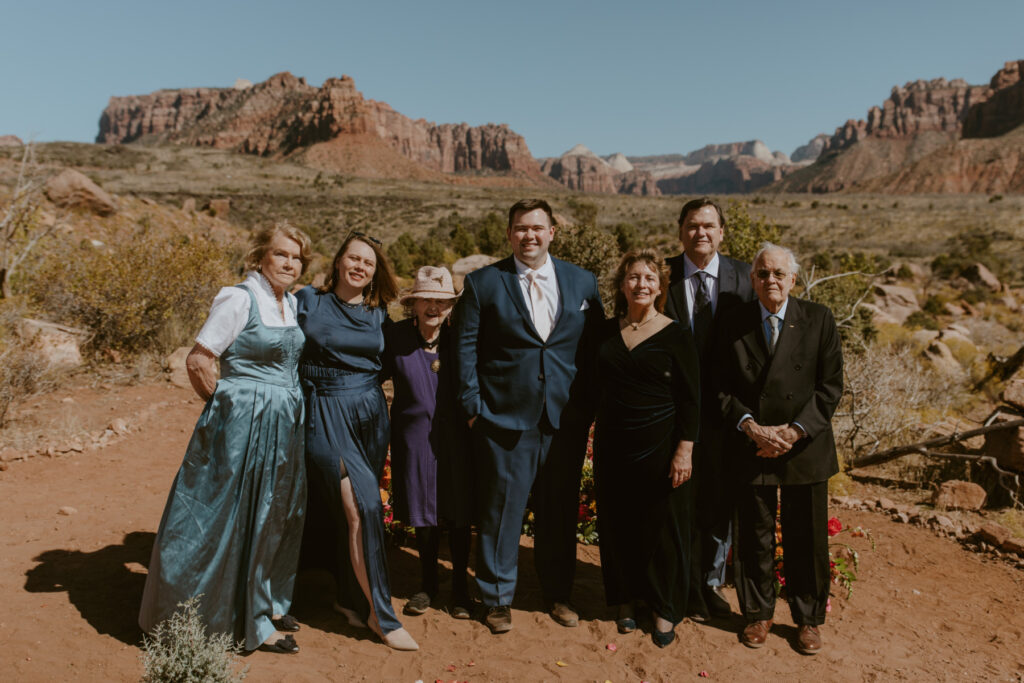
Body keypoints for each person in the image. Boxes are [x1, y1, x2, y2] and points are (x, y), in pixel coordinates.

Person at [139, 222, 312, 654]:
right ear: (260, 257)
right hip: (241, 427)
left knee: (272, 514)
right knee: (220, 515)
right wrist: (227, 406)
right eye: (281, 254)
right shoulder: (239, 297)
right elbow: (199, 360)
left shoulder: (288, 303)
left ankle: (257, 605)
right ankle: (195, 616)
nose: (290, 263)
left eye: (297, 257)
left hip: (283, 425)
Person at [453, 198, 604, 634]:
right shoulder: (483, 283)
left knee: (558, 512)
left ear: (552, 232)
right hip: (502, 418)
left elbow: (594, 350)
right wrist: (472, 409)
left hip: (565, 419)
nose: (529, 236)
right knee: (501, 511)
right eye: (520, 228)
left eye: (537, 228)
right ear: (509, 234)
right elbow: (464, 348)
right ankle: (497, 598)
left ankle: (558, 594)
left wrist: (588, 408)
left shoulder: (582, 282)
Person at [715, 242, 843, 654]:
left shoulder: (819, 319)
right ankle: (758, 614)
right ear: (752, 279)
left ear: (794, 279)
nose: (771, 280)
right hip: (751, 444)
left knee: (807, 536)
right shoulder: (733, 321)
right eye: (763, 273)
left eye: (779, 274)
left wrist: (791, 432)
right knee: (755, 534)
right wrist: (751, 428)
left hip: (804, 445)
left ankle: (808, 619)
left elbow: (829, 387)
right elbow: (720, 387)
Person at [295, 232, 419, 651]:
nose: (360, 266)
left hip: (368, 413)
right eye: (353, 258)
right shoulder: (309, 301)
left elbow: (395, 360)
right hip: (325, 410)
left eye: (368, 262)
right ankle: (380, 615)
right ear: (338, 262)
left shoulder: (379, 314)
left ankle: (348, 598)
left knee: (346, 508)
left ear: (375, 271)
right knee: (360, 505)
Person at [593, 249, 701, 648]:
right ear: (622, 285)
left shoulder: (677, 334)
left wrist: (684, 450)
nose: (641, 284)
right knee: (619, 525)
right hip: (613, 446)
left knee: (663, 530)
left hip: (662, 447)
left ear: (660, 286)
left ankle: (663, 608)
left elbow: (692, 399)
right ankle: (624, 600)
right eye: (634, 277)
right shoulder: (604, 332)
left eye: (649, 278)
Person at [664, 197, 755, 621]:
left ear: (722, 232)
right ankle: (673, 584)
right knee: (674, 499)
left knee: (718, 504)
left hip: (727, 412)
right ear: (681, 231)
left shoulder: (745, 278)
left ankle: (708, 584)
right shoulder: (661, 275)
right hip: (671, 410)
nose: (701, 233)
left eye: (709, 226)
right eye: (693, 225)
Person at [382, 266, 473, 620]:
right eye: (426, 300)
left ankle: (461, 591)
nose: (434, 307)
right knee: (423, 509)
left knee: (460, 510)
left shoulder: (459, 338)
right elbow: (371, 374)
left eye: (442, 301)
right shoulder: (397, 337)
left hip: (458, 436)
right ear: (414, 303)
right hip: (414, 434)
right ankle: (428, 585)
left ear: (451, 305)